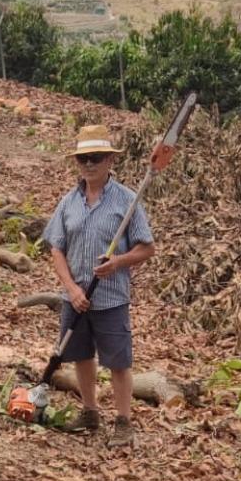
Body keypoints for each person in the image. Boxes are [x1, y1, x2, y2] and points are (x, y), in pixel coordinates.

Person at [41, 124, 155, 446]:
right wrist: (72, 289)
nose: (89, 164)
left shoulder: (127, 201)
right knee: (81, 356)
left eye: (96, 157)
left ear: (109, 161)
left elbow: (147, 247)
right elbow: (56, 247)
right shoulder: (68, 202)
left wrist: (117, 262)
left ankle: (123, 422)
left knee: (118, 361)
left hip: (111, 297)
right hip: (75, 296)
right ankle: (90, 412)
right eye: (83, 159)